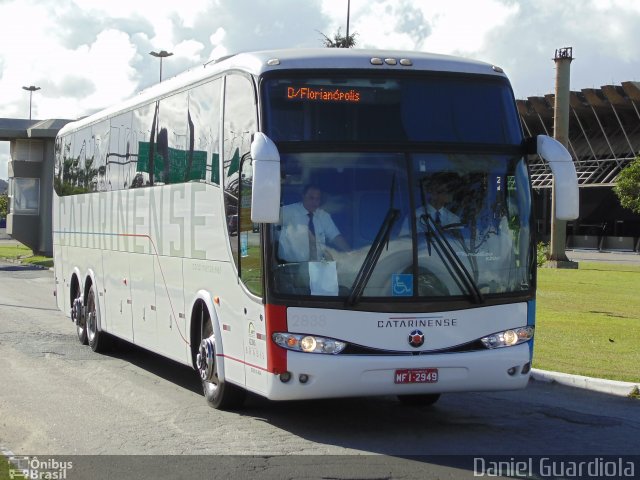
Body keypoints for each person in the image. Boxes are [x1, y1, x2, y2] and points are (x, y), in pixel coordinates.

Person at [277, 184, 349, 262]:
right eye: (311, 198)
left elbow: (336, 238)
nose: (314, 202)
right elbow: (268, 229)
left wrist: (350, 254)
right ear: (303, 196)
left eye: (317, 199)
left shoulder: (323, 216)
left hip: (316, 267)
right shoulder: (288, 212)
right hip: (291, 268)